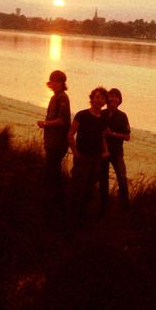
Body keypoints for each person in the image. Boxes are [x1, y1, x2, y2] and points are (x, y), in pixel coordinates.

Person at [68, 86, 109, 226]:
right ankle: (71, 219)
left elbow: (102, 136)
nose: (99, 100)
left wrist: (105, 151)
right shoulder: (82, 115)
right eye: (97, 97)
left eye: (102, 98)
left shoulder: (102, 119)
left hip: (96, 159)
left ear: (105, 102)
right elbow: (70, 135)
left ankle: (82, 219)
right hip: (83, 157)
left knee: (89, 190)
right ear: (92, 99)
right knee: (77, 189)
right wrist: (76, 153)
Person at [37, 70, 71, 200]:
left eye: (58, 81)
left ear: (62, 83)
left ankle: (54, 196)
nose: (55, 84)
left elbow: (62, 121)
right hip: (51, 140)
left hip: (58, 142)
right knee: (51, 169)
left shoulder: (62, 97)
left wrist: (45, 124)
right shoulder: (54, 97)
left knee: (53, 169)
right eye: (53, 81)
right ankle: (52, 195)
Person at [100, 88, 131, 213]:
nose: (113, 99)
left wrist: (112, 133)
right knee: (103, 178)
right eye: (111, 96)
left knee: (122, 178)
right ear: (107, 99)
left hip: (117, 152)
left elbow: (127, 136)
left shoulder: (122, 116)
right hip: (102, 151)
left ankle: (124, 206)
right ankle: (104, 205)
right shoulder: (102, 113)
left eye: (116, 97)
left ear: (119, 100)